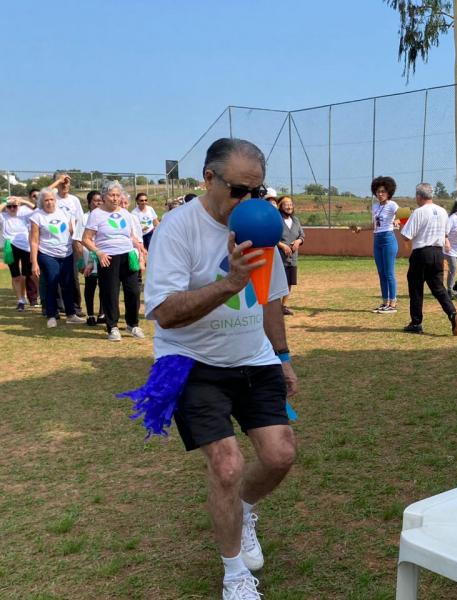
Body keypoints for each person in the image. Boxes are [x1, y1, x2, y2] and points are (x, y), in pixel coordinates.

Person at [144, 138, 297, 600]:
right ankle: (235, 575)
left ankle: (245, 510)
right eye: (239, 190)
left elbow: (270, 300)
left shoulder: (262, 228)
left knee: (279, 456)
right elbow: (166, 312)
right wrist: (230, 281)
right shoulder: (177, 229)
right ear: (209, 179)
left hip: (254, 358)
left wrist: (283, 357)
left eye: (258, 191)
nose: (250, 202)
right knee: (228, 466)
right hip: (192, 363)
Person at [81, 180, 146, 341]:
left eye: (118, 195)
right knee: (110, 293)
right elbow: (86, 239)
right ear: (104, 196)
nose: (115, 198)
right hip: (108, 257)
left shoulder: (125, 213)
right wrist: (98, 253)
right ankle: (112, 327)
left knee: (133, 291)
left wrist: (139, 247)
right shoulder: (96, 214)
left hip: (128, 255)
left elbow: (129, 235)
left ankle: (132, 324)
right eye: (112, 195)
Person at [400, 183, 457, 336]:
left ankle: (416, 323)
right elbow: (445, 233)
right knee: (438, 288)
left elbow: (406, 236)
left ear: (418, 196)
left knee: (416, 288)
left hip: (421, 253)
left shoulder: (419, 212)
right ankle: (452, 314)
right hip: (437, 253)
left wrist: (400, 224)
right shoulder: (442, 211)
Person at [29, 189, 85, 328]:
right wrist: (34, 262)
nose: (49, 202)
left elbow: (72, 232)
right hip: (47, 254)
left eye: (52, 199)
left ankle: (71, 314)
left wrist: (79, 252)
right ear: (42, 202)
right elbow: (34, 241)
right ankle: (51, 315)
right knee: (52, 283)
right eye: (46, 200)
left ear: (56, 201)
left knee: (68, 284)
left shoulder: (64, 212)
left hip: (66, 253)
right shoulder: (37, 216)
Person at [50, 173, 85, 317]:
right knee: (55, 276)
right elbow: (43, 193)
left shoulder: (74, 200)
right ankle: (59, 306)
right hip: (54, 242)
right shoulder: (52, 199)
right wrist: (58, 181)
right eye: (62, 183)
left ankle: (76, 306)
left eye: (67, 183)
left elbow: (80, 220)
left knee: (73, 276)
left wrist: (78, 239)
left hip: (71, 243)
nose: (65, 186)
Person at [72, 191, 105, 325]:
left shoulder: (105, 217)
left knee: (104, 286)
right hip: (88, 257)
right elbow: (77, 241)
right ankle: (90, 314)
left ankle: (102, 314)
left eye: (100, 200)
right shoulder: (84, 218)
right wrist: (80, 261)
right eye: (95, 201)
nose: (98, 203)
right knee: (90, 286)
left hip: (103, 256)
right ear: (89, 203)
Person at [370, 176, 399, 314]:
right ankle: (385, 302)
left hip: (388, 239)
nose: (380, 194)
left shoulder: (392, 205)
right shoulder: (375, 206)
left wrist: (398, 221)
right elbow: (374, 225)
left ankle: (393, 303)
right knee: (381, 273)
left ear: (389, 192)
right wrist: (359, 228)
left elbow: (405, 215)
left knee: (389, 273)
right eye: (377, 191)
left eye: (383, 191)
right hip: (377, 240)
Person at [2, 198, 34, 310]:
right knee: (15, 276)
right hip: (10, 247)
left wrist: (22, 201)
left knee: (28, 274)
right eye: (9, 207)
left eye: (14, 206)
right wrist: (6, 202)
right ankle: (20, 300)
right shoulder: (3, 216)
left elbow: (36, 208)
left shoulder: (24, 213)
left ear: (18, 206)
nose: (12, 209)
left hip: (25, 247)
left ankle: (34, 296)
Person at [276, 196, 304, 316]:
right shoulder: (276, 220)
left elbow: (302, 235)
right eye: (286, 204)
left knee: (289, 282)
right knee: (277, 282)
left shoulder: (296, 220)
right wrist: (282, 246)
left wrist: (298, 241)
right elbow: (271, 237)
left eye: (291, 204)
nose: (289, 207)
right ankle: (274, 307)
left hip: (293, 258)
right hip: (279, 257)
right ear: (280, 206)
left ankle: (284, 306)